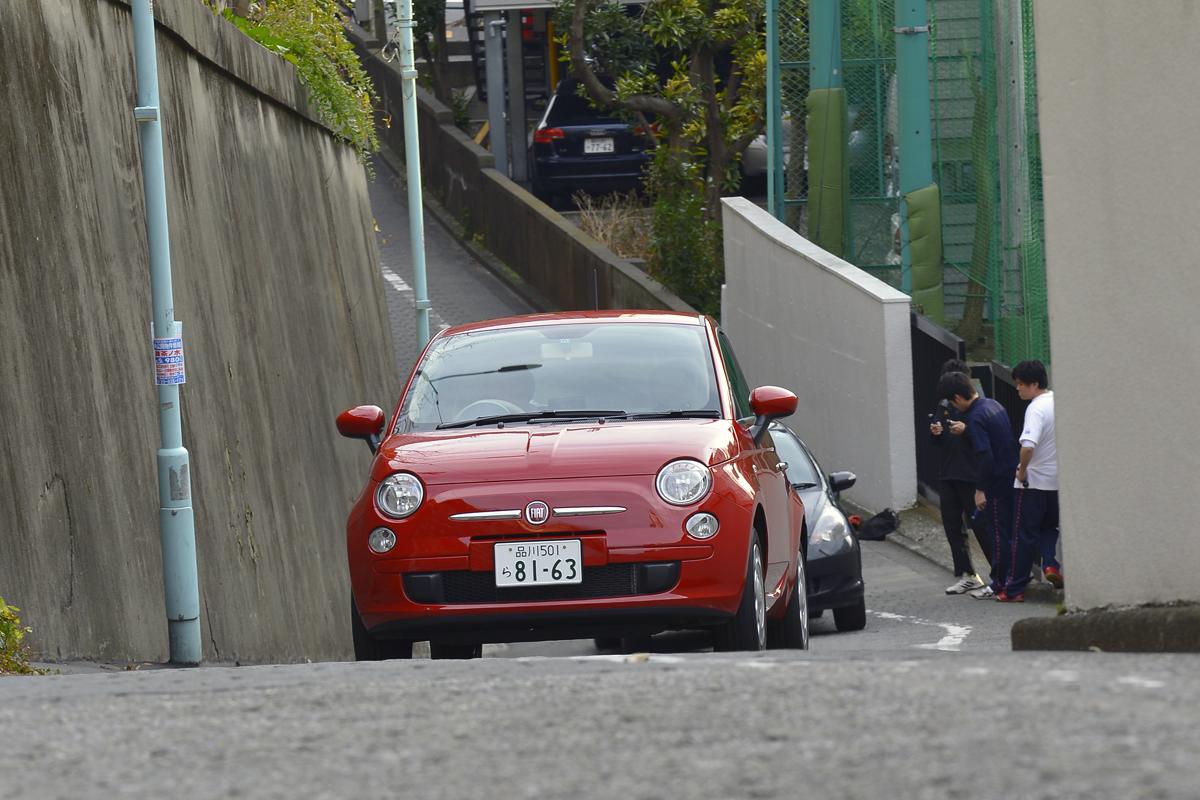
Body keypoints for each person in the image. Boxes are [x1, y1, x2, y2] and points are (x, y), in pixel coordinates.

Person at [936, 371, 1020, 599]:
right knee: (1008, 531)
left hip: (995, 482)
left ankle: (1000, 583)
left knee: (997, 533)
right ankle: (1014, 579)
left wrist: (981, 490)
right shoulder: (993, 405)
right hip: (1010, 476)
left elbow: (985, 456)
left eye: (953, 402)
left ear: (957, 398)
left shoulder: (975, 417)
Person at [929, 359, 993, 594]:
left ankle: (998, 574)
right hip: (948, 472)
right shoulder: (944, 403)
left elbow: (985, 438)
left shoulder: (977, 403)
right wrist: (936, 433)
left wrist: (966, 431)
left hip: (970, 473)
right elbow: (939, 436)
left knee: (981, 525)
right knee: (952, 525)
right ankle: (967, 574)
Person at [1001, 360, 1060, 600]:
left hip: (1033, 482)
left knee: (1024, 535)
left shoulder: (1036, 408)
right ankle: (1050, 565)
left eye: (1021, 384)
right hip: (1056, 482)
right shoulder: (1058, 401)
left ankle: (1014, 589)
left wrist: (1022, 471)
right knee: (1049, 528)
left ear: (1034, 384)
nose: (1018, 389)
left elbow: (1027, 446)